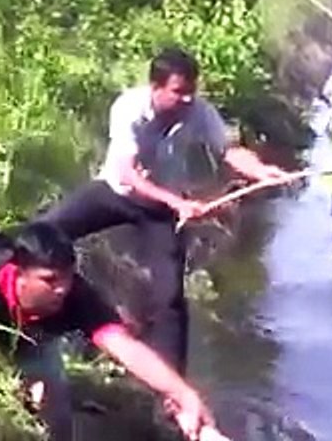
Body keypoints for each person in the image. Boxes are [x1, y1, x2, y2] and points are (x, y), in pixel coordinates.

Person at [36, 47, 290, 374]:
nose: (187, 100)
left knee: (169, 299)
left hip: (159, 210)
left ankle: (171, 389)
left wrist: (261, 172)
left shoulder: (199, 112)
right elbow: (127, 173)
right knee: (44, 232)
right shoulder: (129, 108)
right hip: (115, 192)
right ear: (156, 88)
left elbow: (229, 151)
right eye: (178, 92)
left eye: (192, 91)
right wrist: (179, 203)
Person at [0, 222, 221, 441]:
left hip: (32, 344)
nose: (61, 290)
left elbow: (125, 348)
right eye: (49, 280)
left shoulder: (78, 297)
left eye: (67, 278)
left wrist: (183, 394)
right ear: (20, 274)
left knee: (55, 405)